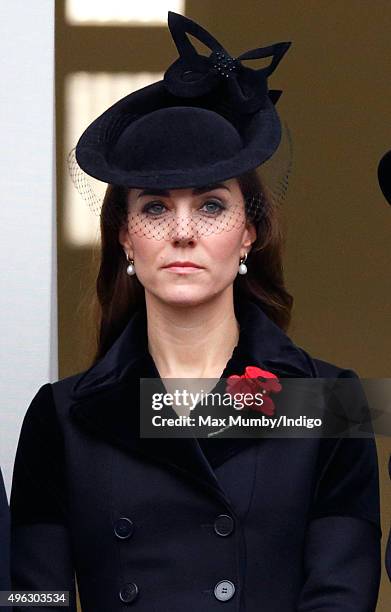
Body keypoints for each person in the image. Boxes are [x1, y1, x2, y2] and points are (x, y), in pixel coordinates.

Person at [10, 11, 382, 612]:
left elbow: (343, 595)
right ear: (126, 237)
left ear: (249, 235)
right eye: (155, 208)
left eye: (211, 206)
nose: (182, 232)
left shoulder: (329, 404)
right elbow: (35, 598)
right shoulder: (61, 418)